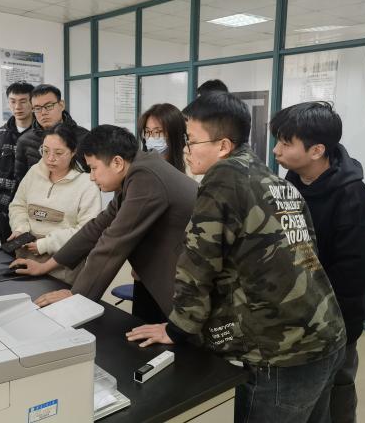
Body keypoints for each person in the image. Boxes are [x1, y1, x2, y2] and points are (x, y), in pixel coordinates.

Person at [126, 92, 347, 423]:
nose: (185, 149)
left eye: (191, 140)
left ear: (223, 146)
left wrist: (178, 329)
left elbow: (198, 263)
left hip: (281, 352)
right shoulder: (274, 180)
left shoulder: (223, 178)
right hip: (325, 333)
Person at [11, 125, 198, 323]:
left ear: (117, 162)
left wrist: (77, 295)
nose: (92, 177)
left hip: (195, 280)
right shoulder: (137, 172)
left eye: (93, 168)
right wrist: (45, 266)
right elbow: (96, 227)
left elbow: (113, 243)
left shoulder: (146, 178)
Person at [270, 101, 365, 423]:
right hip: (297, 315)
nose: (275, 150)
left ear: (316, 150)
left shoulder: (351, 194)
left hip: (337, 317)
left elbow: (356, 271)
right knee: (307, 395)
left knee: (338, 386)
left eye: (285, 143)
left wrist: (322, 312)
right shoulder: (289, 184)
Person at [7, 124, 101, 285]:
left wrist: (46, 244)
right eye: (45, 151)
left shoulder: (87, 184)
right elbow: (18, 205)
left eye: (58, 153)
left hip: (62, 266)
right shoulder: (34, 172)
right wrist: (21, 228)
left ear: (73, 152)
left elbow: (87, 230)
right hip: (25, 256)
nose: (50, 158)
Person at [13, 83, 89, 192]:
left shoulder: (84, 137)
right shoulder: (24, 140)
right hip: (38, 199)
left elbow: (93, 178)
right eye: (37, 108)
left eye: (48, 106)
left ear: (61, 105)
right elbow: (21, 182)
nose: (43, 112)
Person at [0, 81, 34, 244]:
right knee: (7, 252)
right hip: (5, 206)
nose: (17, 107)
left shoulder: (43, 135)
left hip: (34, 208)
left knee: (33, 253)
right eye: (13, 101)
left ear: (32, 103)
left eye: (23, 101)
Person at [138, 103, 186, 173]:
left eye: (157, 132)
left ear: (174, 133)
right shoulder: (141, 168)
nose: (151, 137)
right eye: (147, 131)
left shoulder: (191, 167)